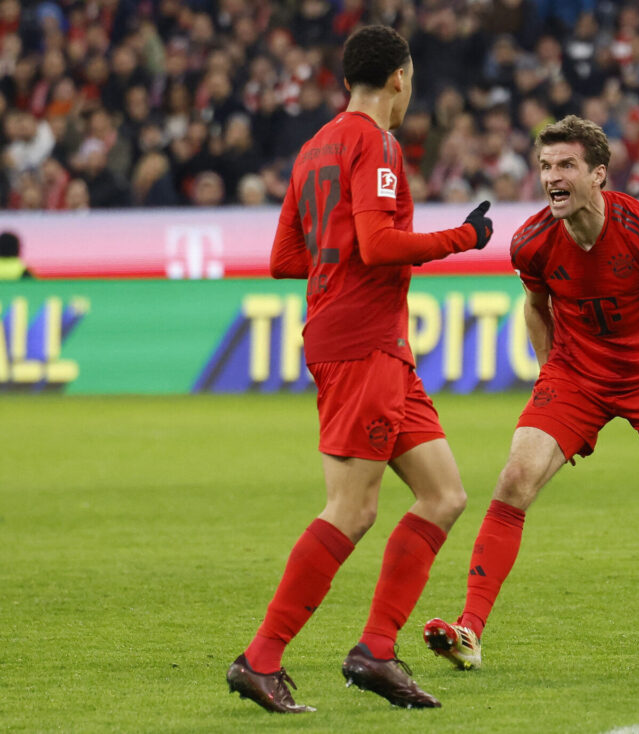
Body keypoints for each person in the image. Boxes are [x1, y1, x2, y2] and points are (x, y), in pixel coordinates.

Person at [422, 115, 639, 671]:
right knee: (513, 481)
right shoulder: (531, 241)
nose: (553, 176)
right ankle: (470, 631)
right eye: (546, 166)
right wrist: (550, 375)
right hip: (576, 376)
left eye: (566, 165)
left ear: (598, 174)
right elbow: (535, 306)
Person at [226, 25, 494, 713]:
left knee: (443, 495)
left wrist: (338, 258)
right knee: (352, 508)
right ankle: (261, 659)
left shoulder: (314, 148)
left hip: (369, 343)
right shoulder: (377, 143)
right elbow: (377, 246)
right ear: (400, 78)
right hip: (362, 342)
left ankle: (376, 650)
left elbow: (287, 259)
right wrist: (463, 237)